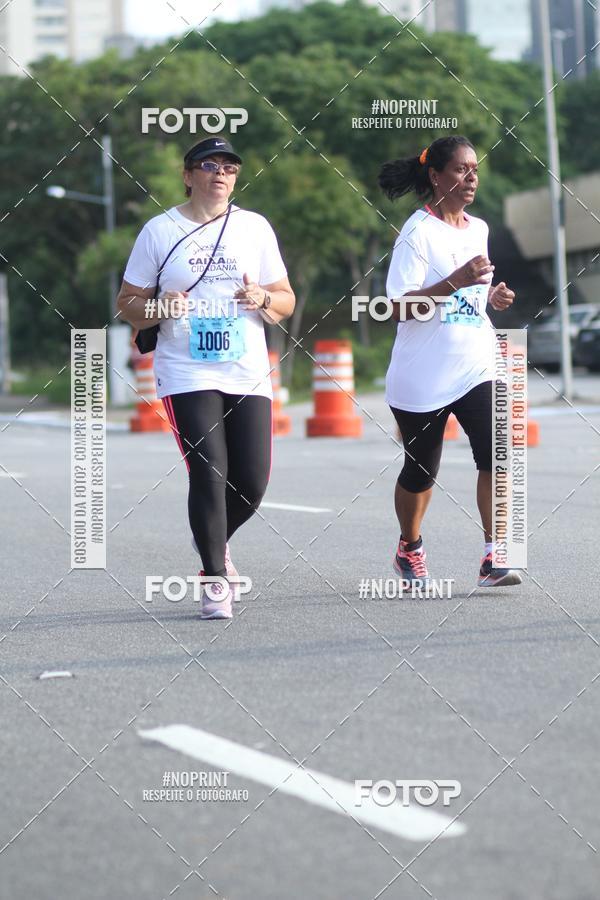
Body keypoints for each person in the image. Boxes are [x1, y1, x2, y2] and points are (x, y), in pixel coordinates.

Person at [117, 136, 295, 618]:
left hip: (246, 369)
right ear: (187, 175)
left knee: (251, 482)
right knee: (209, 469)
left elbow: (285, 300)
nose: (221, 174)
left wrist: (263, 298)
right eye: (210, 165)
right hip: (186, 368)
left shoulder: (254, 228)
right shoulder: (160, 231)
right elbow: (127, 303)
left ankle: (212, 539)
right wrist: (159, 307)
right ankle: (215, 577)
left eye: (230, 168)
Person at [378, 135, 522, 588]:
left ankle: (495, 555)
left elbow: (471, 294)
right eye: (461, 169)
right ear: (436, 176)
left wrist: (491, 297)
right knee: (422, 469)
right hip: (423, 373)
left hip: (476, 362)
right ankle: (409, 546)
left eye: (475, 169)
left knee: (499, 450)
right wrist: (456, 281)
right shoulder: (417, 232)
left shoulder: (478, 229)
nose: (471, 177)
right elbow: (397, 307)